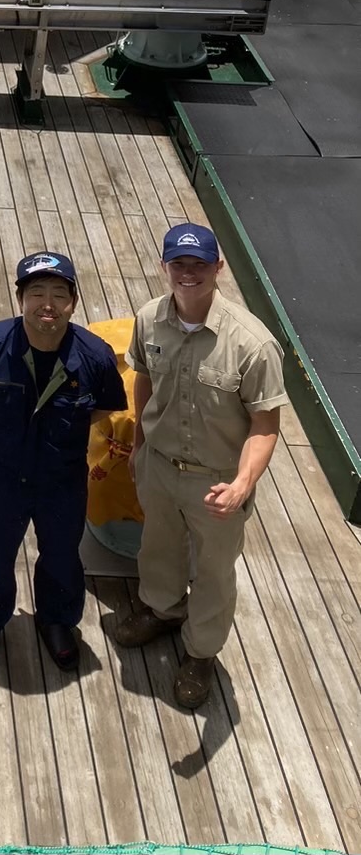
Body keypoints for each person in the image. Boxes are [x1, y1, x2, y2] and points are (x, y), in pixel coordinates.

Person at [113, 223, 287, 709]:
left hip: (218, 482)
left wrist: (241, 484)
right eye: (178, 264)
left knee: (213, 571)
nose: (188, 274)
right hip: (160, 466)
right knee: (158, 546)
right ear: (165, 266)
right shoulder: (149, 319)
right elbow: (143, 380)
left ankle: (202, 652)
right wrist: (141, 448)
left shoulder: (254, 344)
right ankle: (164, 611)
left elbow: (265, 425)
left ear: (218, 268)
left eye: (199, 264)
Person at [0, 252, 125, 671]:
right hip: (3, 474)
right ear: (20, 298)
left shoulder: (96, 356)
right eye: (37, 293)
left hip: (62, 478)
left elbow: (104, 407)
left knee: (63, 553)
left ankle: (58, 620)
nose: (47, 303)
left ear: (73, 302)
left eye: (58, 294)